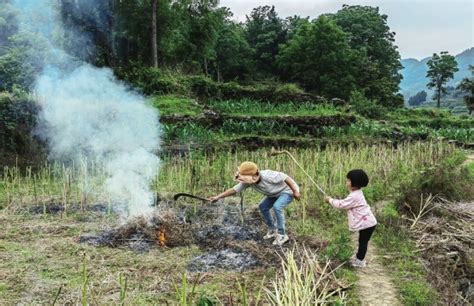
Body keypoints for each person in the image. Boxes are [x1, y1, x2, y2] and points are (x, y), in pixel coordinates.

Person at [209, 161, 300, 246]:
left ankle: (282, 235)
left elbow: (286, 178)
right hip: (273, 193)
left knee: (277, 207)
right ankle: (273, 229)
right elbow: (234, 190)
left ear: (253, 175)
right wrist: (218, 197)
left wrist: (295, 191)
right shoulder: (248, 182)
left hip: (287, 190)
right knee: (263, 206)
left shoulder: (268, 176)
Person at [324, 169, 377, 268]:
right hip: (368, 223)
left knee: (363, 242)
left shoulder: (355, 196)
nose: (346, 182)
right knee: (362, 241)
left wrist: (330, 200)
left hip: (368, 224)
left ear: (355, 183)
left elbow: (342, 205)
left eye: (348, 180)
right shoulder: (356, 193)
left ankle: (360, 261)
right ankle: (359, 258)